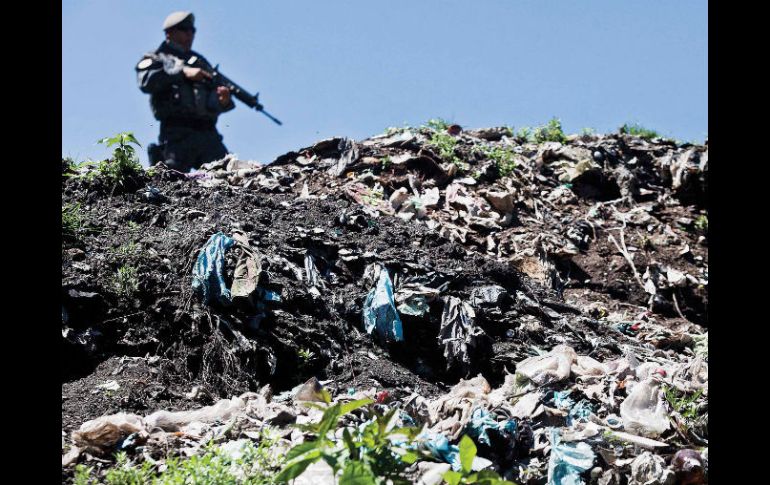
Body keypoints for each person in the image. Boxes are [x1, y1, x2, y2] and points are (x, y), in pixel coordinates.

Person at [136, 12, 235, 172]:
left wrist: (223, 101)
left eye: (192, 30)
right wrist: (182, 73)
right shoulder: (156, 58)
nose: (189, 34)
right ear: (169, 33)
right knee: (172, 179)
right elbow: (146, 82)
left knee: (227, 175)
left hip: (208, 133)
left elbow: (211, 98)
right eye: (184, 29)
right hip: (177, 133)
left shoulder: (200, 61)